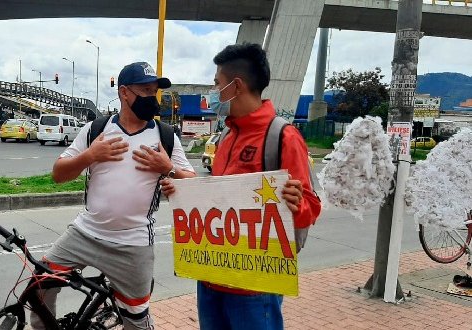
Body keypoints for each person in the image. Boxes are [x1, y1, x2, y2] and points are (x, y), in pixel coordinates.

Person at [163, 43, 321, 330]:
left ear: (236, 86)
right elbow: (220, 194)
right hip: (211, 277)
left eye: (217, 85)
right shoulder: (226, 135)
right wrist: (184, 191)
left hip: (254, 287)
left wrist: (297, 203)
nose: (214, 93)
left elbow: (310, 208)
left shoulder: (283, 136)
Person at [31, 62, 196, 330]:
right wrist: (90, 156)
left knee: (136, 319)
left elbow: (193, 183)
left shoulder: (165, 136)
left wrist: (168, 168)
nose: (152, 97)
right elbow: (59, 174)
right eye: (145, 89)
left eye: (154, 91)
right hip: (85, 233)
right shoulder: (95, 130)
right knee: (39, 288)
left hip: (134, 243)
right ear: (124, 93)